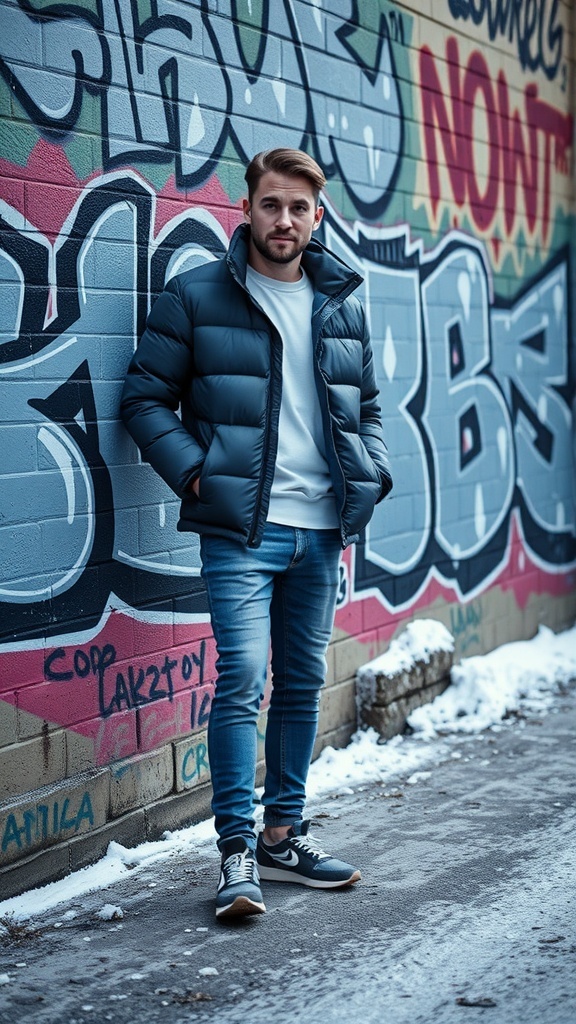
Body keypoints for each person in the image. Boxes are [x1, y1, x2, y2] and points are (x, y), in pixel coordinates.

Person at [120, 148, 392, 919]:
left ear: (317, 215)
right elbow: (144, 398)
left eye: (299, 208)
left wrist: (370, 472)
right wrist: (198, 475)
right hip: (243, 529)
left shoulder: (340, 301)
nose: (285, 221)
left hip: (322, 531)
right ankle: (236, 851)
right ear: (247, 209)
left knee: (303, 682)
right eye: (272, 205)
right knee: (242, 677)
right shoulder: (198, 295)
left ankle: (282, 836)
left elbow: (367, 406)